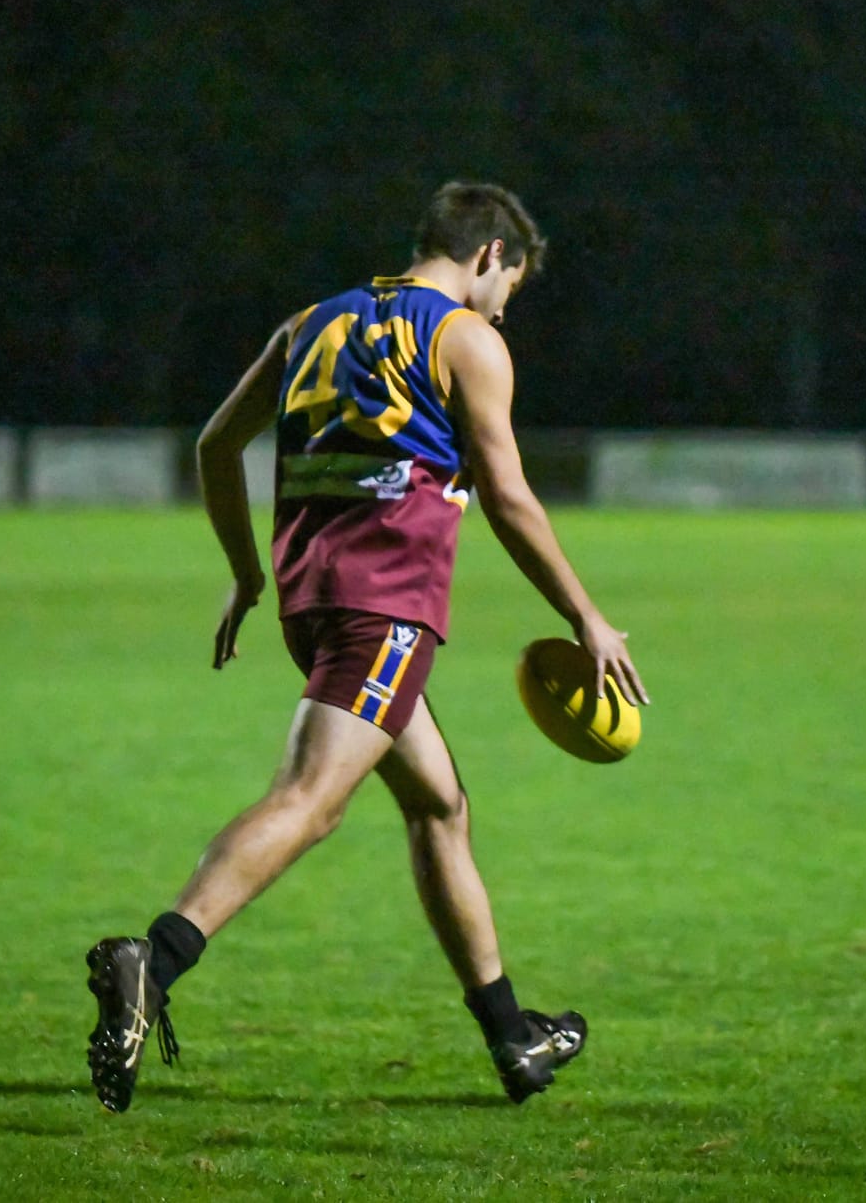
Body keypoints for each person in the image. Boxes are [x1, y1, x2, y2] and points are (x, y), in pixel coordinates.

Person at [84, 181, 648, 1113]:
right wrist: (585, 614)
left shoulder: (310, 323)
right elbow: (506, 495)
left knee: (439, 806)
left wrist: (246, 573)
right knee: (310, 801)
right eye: (512, 283)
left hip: (313, 601)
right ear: (490, 257)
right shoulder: (468, 339)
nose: (508, 305)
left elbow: (217, 444)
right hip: (386, 609)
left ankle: (514, 1038)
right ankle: (158, 956)